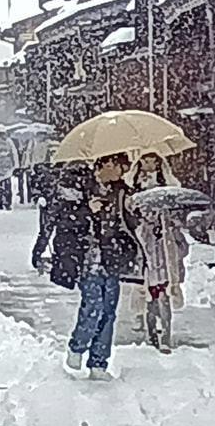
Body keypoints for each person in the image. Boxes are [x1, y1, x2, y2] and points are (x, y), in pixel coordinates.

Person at [46, 154, 141, 380]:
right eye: (115, 166)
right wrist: (87, 210)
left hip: (113, 257)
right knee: (93, 306)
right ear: (103, 165)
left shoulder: (122, 192)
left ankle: (99, 362)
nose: (119, 171)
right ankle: (77, 346)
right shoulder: (79, 186)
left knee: (109, 311)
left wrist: (133, 211)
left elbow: (131, 225)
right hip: (87, 259)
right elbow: (62, 219)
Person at [130, 153, 188, 352]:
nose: (148, 165)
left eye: (152, 161)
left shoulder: (168, 184)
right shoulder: (133, 184)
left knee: (164, 291)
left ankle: (166, 333)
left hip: (164, 240)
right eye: (145, 161)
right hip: (143, 239)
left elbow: (176, 211)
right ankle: (151, 330)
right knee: (147, 292)